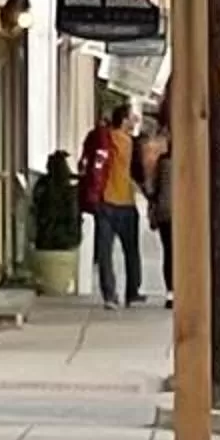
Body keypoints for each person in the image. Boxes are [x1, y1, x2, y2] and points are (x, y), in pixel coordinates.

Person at [80, 101, 143, 309]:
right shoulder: (131, 143)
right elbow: (139, 173)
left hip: (105, 201)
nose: (135, 120)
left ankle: (110, 295)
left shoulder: (105, 139)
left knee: (105, 251)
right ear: (124, 120)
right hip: (125, 202)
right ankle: (132, 292)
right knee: (131, 250)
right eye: (132, 117)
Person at [138, 105, 176, 308]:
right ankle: (180, 290)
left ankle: (171, 292)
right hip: (183, 213)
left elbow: (151, 187)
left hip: (165, 212)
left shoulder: (160, 161)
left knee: (168, 252)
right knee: (181, 252)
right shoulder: (191, 161)